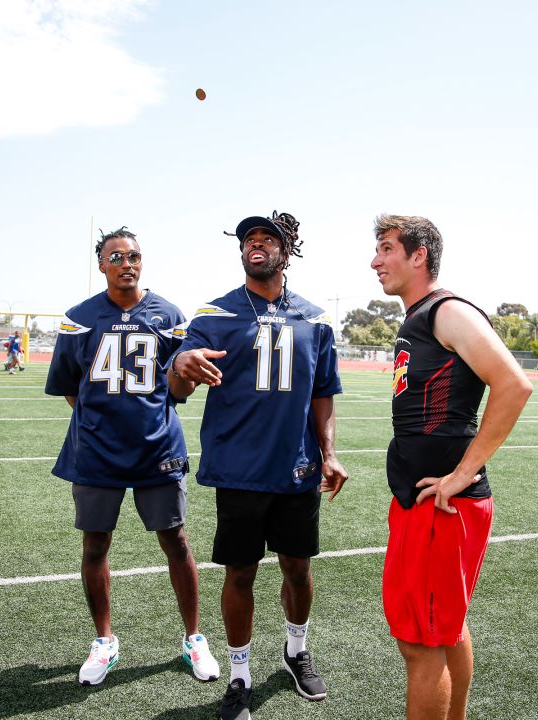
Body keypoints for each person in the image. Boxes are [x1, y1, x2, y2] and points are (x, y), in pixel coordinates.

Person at [168, 211, 348, 720]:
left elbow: (323, 392)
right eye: (250, 238)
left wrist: (329, 452)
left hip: (297, 468)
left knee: (298, 566)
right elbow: (178, 388)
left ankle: (295, 650)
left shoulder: (315, 319)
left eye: (268, 239)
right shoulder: (214, 313)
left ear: (285, 253)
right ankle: (240, 674)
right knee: (240, 573)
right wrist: (180, 367)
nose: (257, 245)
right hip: (239, 469)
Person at [371, 214, 532, 720]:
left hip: (446, 505)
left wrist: (462, 475)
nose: (375, 260)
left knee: (422, 645)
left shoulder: (448, 311)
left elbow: (514, 385)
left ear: (419, 255)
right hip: (423, 500)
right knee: (446, 629)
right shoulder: (418, 316)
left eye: (387, 248)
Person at [45, 226, 219, 687]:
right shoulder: (79, 318)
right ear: (101, 264)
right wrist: (104, 422)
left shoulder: (169, 315)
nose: (127, 263)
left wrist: (180, 381)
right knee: (95, 544)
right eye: (116, 256)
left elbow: (180, 387)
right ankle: (104, 640)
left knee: (176, 540)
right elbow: (67, 386)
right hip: (96, 451)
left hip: (156, 447)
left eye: (134, 255)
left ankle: (193, 637)